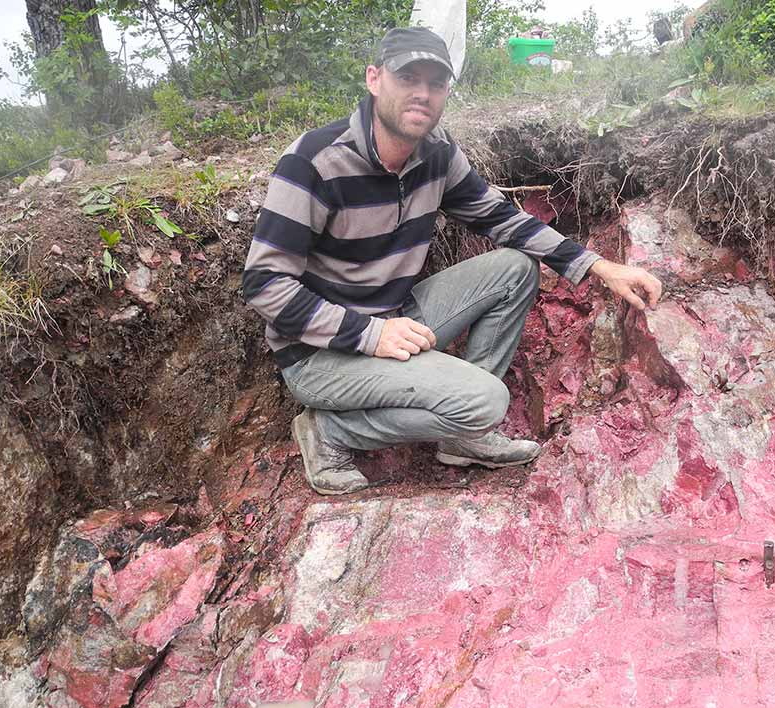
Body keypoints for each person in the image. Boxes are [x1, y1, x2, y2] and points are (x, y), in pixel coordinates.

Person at [243, 27, 663, 495]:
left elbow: (502, 218)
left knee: (514, 268)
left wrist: (599, 266)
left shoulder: (437, 155)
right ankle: (328, 432)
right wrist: (370, 334)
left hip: (395, 317)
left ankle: (461, 440)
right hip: (320, 354)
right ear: (375, 79)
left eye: (436, 83)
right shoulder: (316, 161)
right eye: (408, 78)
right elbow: (265, 284)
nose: (422, 93)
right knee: (486, 402)